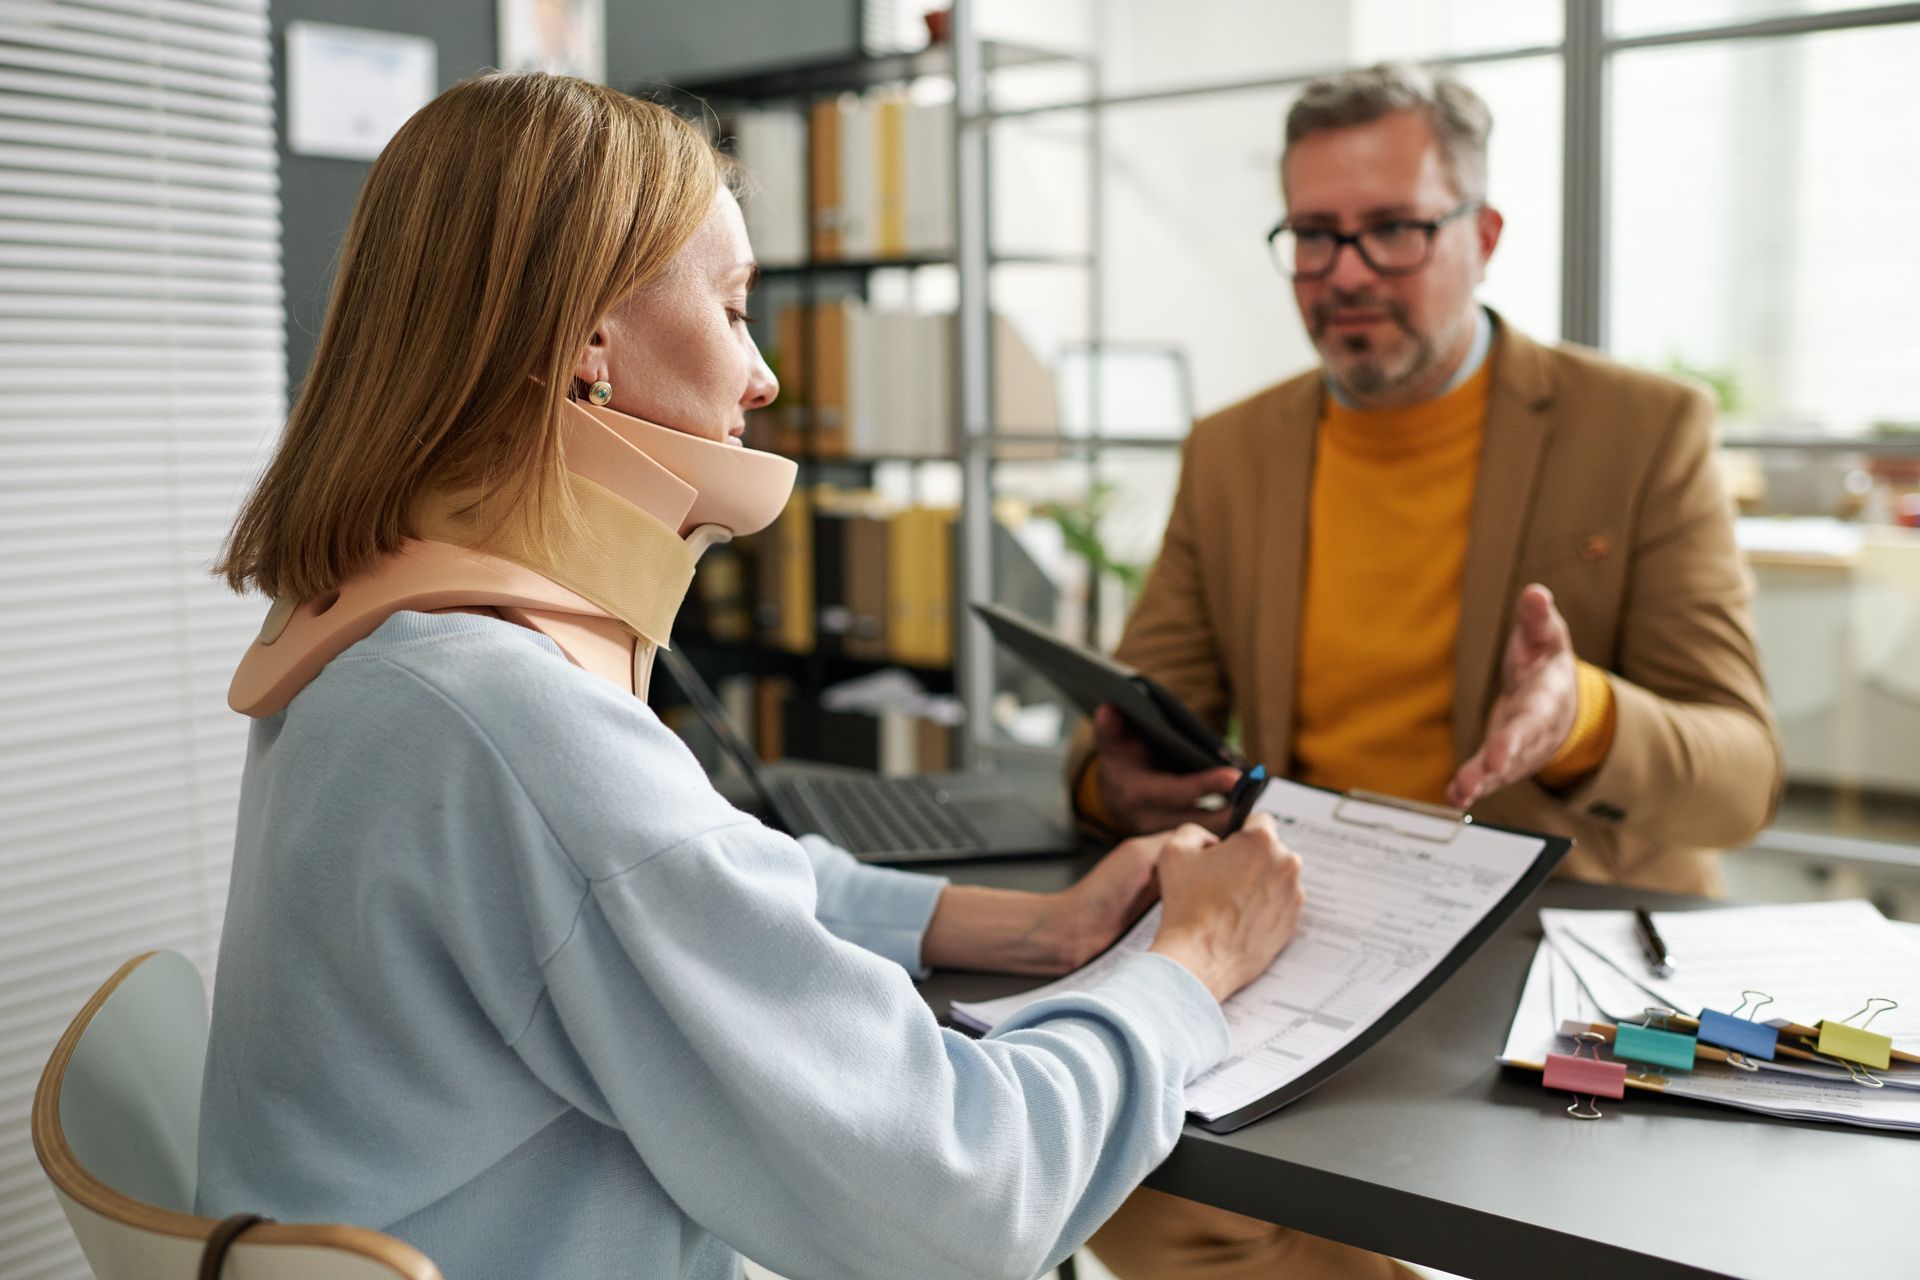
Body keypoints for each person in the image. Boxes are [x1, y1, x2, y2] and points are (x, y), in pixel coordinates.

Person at [197, 72, 1309, 1280]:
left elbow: (675, 880)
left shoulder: (376, 636)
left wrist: (1034, 925)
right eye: (733, 309)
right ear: (588, 344)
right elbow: (967, 1195)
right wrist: (1188, 966)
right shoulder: (509, 717)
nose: (763, 374)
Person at [1070, 63, 1784, 1280]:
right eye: (1313, 235)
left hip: (1553, 947)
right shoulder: (1234, 451)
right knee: (1138, 1187)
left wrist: (1583, 715)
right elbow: (1138, 715)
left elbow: (1741, 777)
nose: (1346, 270)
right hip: (1320, 936)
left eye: (1393, 229)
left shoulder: (1643, 430)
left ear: (1484, 234)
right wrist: (1111, 785)